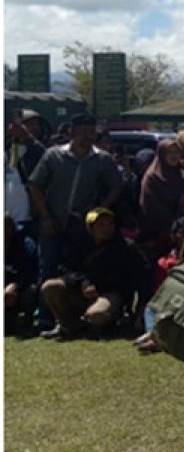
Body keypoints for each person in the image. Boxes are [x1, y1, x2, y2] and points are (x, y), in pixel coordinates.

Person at [27, 112, 123, 328]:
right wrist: (45, 215)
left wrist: (101, 210)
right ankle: (44, 316)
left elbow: (117, 186)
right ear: (72, 131)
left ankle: (69, 317)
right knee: (48, 266)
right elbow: (35, 185)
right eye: (84, 132)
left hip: (81, 226)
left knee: (74, 270)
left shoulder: (102, 160)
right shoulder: (53, 156)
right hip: (53, 220)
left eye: (92, 132)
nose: (88, 136)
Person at [39, 207, 142, 340]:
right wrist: (83, 283)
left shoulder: (125, 247)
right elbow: (65, 269)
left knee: (96, 316)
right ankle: (68, 325)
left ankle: (105, 322)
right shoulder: (79, 245)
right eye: (101, 225)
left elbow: (131, 279)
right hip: (82, 292)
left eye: (110, 224)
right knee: (50, 286)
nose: (106, 228)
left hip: (109, 294)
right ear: (90, 228)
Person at [139, 138, 184, 256]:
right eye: (170, 152)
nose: (174, 156)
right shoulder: (153, 177)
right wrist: (173, 225)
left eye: (176, 152)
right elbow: (151, 207)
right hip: (160, 235)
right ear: (162, 155)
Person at [5, 213, 39, 334]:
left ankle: (27, 321)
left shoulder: (26, 244)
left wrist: (15, 285)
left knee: (32, 290)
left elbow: (31, 271)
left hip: (20, 290)